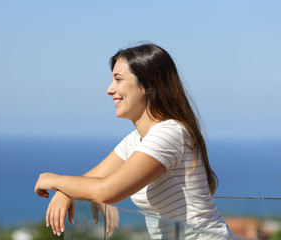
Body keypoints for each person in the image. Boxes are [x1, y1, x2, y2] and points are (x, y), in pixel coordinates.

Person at [35, 43, 233, 239]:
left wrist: (51, 179)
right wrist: (64, 193)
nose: (109, 90)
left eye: (118, 79)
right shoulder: (136, 140)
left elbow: (105, 191)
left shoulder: (169, 134)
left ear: (147, 85)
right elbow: (89, 180)